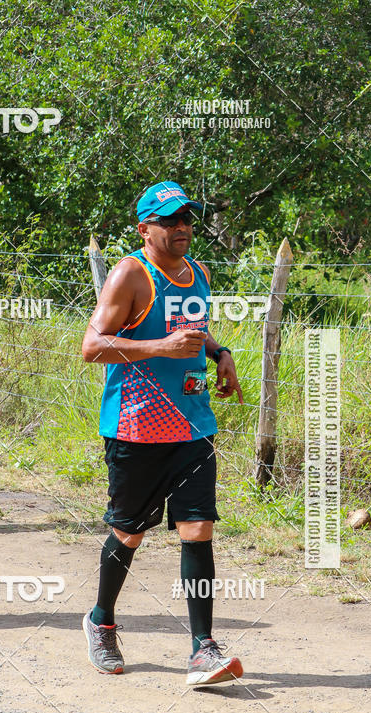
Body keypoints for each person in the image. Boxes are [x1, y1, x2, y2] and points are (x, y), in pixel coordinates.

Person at [81, 181, 245, 686]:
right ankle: (101, 620)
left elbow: (193, 328)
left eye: (187, 219)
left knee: (198, 529)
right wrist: (160, 347)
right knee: (129, 533)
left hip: (192, 426)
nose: (182, 228)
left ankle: (202, 648)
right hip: (136, 425)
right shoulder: (131, 274)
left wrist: (219, 353)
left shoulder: (199, 273)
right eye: (170, 220)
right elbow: (91, 346)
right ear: (144, 228)